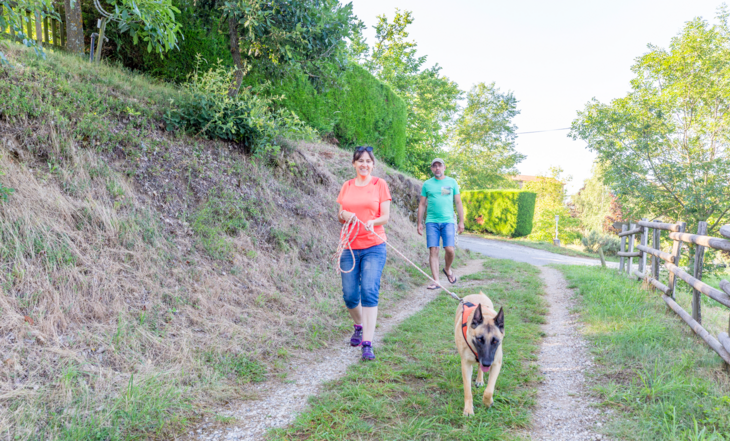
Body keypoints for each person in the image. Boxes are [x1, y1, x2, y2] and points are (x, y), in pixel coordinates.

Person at [336, 146, 391, 361]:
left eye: (368, 161)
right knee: (350, 295)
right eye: (360, 161)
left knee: (369, 290)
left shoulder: (380, 185)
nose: (364, 165)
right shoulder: (347, 186)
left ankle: (367, 342)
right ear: (354, 164)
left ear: (373, 164)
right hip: (349, 245)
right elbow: (340, 214)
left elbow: (385, 216)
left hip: (374, 246)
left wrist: (372, 222)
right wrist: (344, 214)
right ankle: (358, 325)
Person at [417, 158, 465, 290]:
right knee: (434, 249)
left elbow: (458, 203)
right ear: (432, 169)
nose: (437, 168)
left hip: (448, 221)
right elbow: (422, 204)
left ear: (444, 167)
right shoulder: (427, 184)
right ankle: (436, 281)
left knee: (450, 249)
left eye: (440, 166)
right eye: (434, 166)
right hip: (431, 221)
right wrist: (419, 223)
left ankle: (447, 269)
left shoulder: (451, 182)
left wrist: (461, 221)